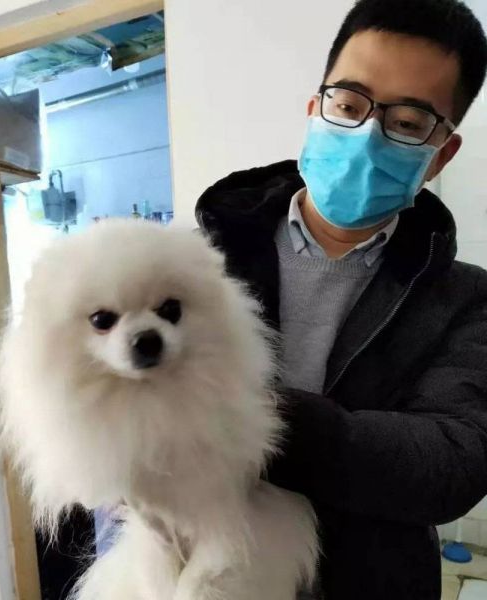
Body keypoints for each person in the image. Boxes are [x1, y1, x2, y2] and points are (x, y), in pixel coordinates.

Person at [195, 1, 487, 598]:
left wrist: (229, 414)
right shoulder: (197, 263)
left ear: (441, 154)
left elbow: (449, 465)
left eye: (408, 122)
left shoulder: (466, 299)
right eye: (350, 105)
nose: (366, 135)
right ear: (316, 109)